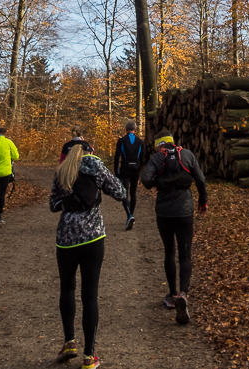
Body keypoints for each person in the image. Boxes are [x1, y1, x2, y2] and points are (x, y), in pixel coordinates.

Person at [50, 143, 127, 368]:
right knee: (90, 295)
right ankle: (89, 356)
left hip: (66, 239)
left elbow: (53, 205)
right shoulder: (95, 165)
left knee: (67, 288)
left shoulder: (61, 170)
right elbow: (120, 192)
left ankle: (69, 342)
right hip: (93, 237)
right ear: (89, 152)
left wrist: (68, 202)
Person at [141, 129, 207, 326]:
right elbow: (201, 180)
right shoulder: (186, 155)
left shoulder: (156, 159)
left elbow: (145, 181)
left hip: (164, 212)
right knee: (185, 254)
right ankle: (184, 293)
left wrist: (157, 183)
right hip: (185, 210)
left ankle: (172, 295)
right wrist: (202, 202)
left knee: (169, 252)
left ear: (160, 145)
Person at [112, 119, 144, 230]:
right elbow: (142, 159)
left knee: (124, 193)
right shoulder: (140, 141)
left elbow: (117, 157)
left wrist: (116, 173)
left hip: (125, 169)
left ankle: (129, 215)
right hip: (136, 169)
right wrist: (139, 172)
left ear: (126, 129)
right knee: (133, 192)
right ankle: (130, 215)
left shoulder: (121, 141)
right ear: (135, 129)